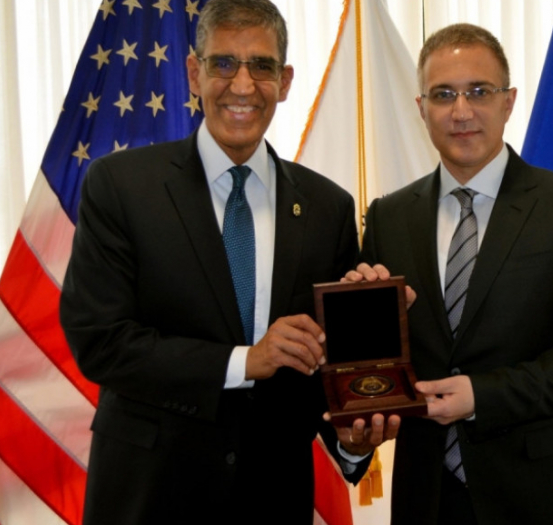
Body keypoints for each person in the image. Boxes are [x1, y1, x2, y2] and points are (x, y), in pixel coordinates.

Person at [59, 1, 397, 523]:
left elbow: (326, 362)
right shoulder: (121, 186)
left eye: (261, 66)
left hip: (274, 498)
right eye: (223, 64)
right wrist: (244, 361)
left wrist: (352, 439)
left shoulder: (328, 208)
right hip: (150, 497)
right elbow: (100, 341)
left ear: (284, 81)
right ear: (194, 73)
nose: (242, 85)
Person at [344, 23, 553, 524]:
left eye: (479, 91)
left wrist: (483, 395)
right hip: (426, 498)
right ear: (421, 108)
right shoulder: (388, 217)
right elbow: (380, 360)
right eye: (443, 95)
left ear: (508, 101)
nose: (461, 111)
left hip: (544, 498)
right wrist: (365, 322)